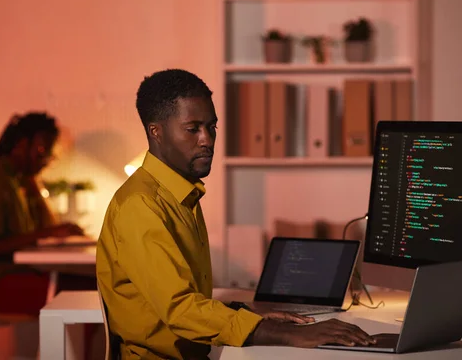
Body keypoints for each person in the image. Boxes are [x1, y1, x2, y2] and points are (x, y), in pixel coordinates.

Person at [96, 69, 375, 359]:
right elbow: (180, 309)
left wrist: (253, 316)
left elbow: (180, 301)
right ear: (156, 131)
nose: (207, 140)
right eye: (193, 129)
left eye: (212, 127)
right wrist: (289, 333)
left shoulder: (180, 194)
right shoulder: (141, 205)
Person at [0, 112, 96, 316]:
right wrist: (45, 234)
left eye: (49, 154)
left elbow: (46, 224)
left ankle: (62, 348)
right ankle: (59, 349)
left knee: (89, 287)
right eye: (41, 150)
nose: (45, 159)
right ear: (22, 144)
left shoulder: (18, 180)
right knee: (82, 294)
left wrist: (35, 186)